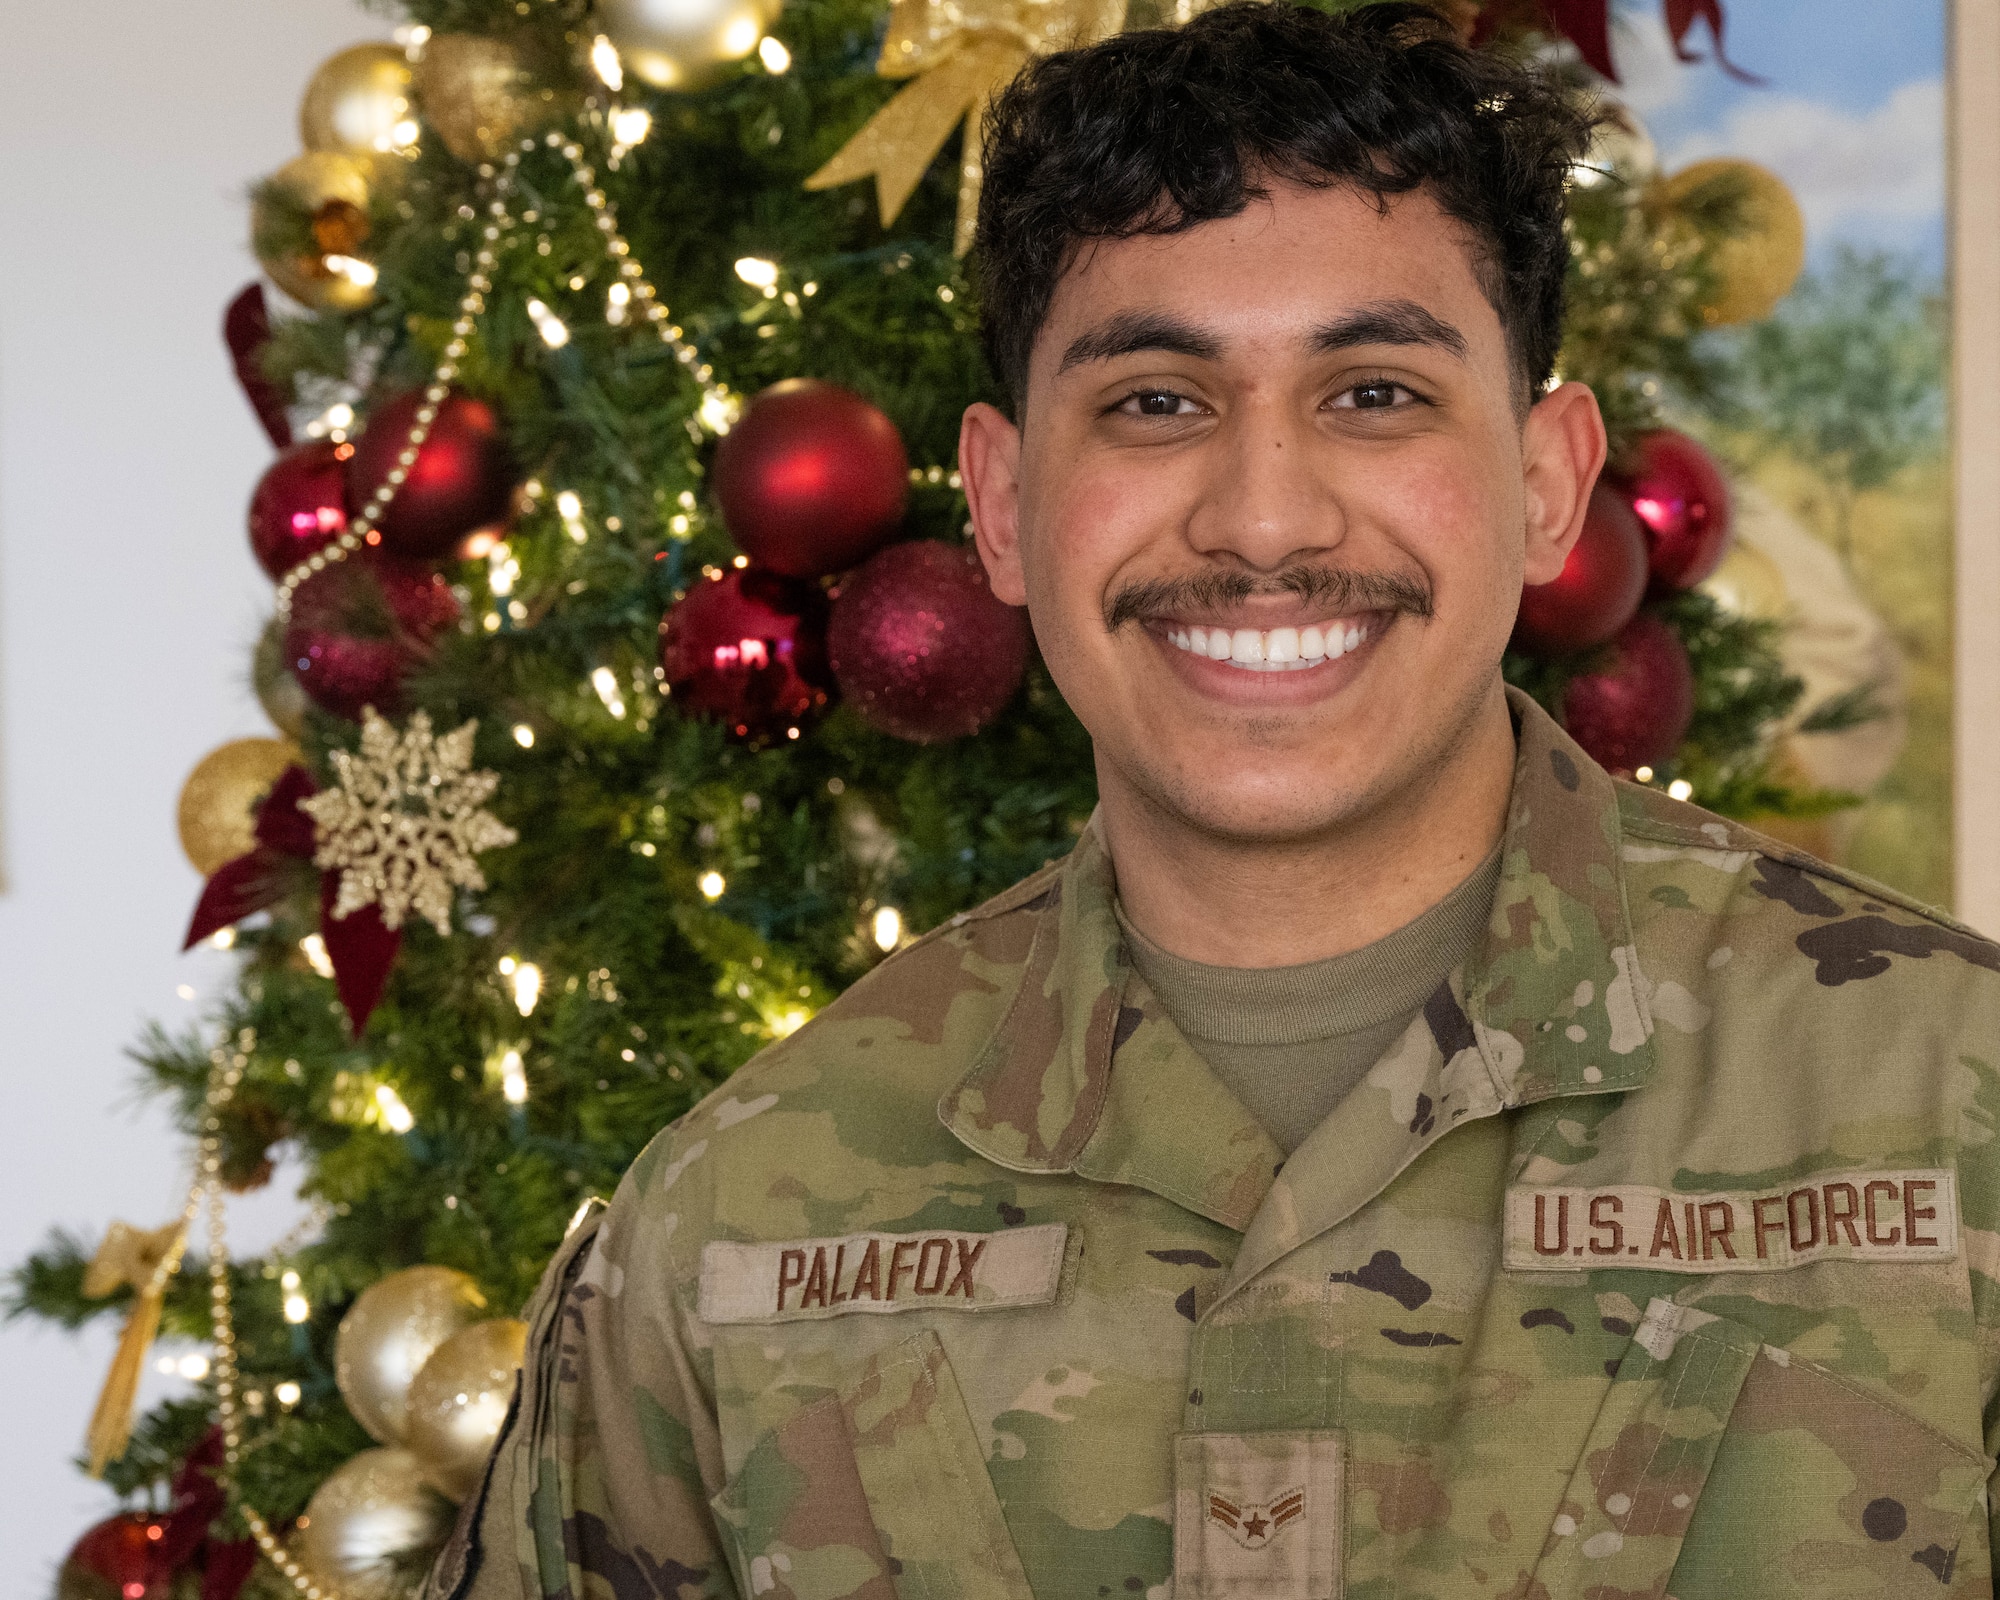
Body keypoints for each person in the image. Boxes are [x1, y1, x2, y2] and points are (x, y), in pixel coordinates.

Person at [430, 6, 2000, 1598]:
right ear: (1004, 502)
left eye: (1375, 392)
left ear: (1546, 484)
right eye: (1156, 402)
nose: (1262, 518)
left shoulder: (1957, 1104)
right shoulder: (733, 1219)